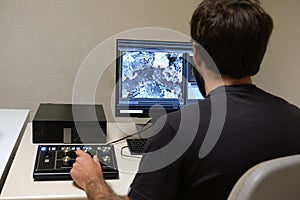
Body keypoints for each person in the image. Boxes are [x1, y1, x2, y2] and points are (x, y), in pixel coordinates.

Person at [70, 0, 300, 199]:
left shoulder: (176, 128)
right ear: (260, 54)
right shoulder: (295, 118)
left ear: (197, 55)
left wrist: (93, 180)